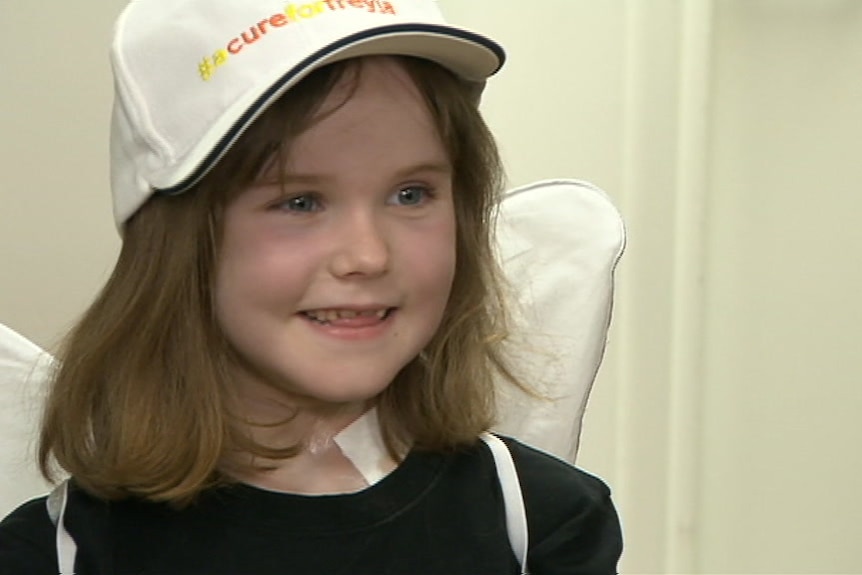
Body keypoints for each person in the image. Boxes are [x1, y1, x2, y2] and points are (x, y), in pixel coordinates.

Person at [0, 0, 623, 573]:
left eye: (411, 194)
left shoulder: (538, 521)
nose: (367, 255)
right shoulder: (59, 552)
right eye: (300, 201)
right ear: (180, 244)